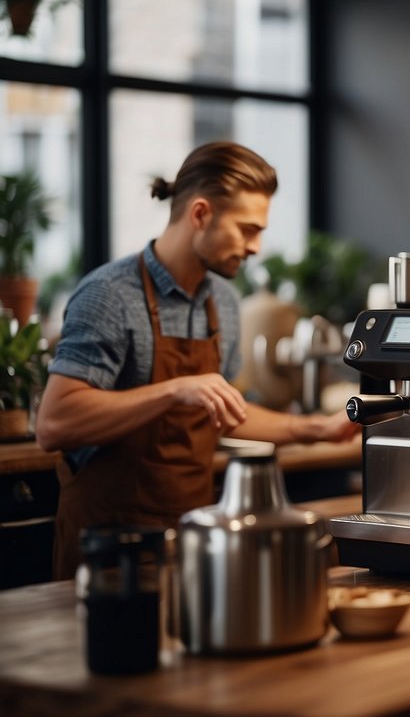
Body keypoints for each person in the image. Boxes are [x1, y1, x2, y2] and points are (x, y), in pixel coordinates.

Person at [36, 141, 359, 578]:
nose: (256, 247)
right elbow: (54, 423)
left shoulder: (222, 303)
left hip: (191, 537)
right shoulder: (109, 296)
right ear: (201, 214)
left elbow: (223, 412)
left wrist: (315, 428)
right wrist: (175, 389)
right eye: (247, 229)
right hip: (109, 550)